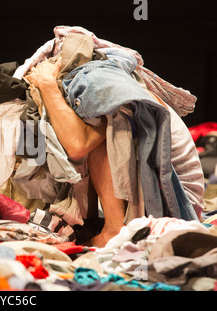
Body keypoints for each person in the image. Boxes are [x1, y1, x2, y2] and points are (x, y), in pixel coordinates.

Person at [25, 57, 205, 247]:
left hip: (177, 205)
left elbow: (78, 145)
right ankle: (108, 225)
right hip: (171, 202)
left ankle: (113, 229)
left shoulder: (102, 83)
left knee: (96, 132)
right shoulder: (106, 82)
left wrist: (47, 85)